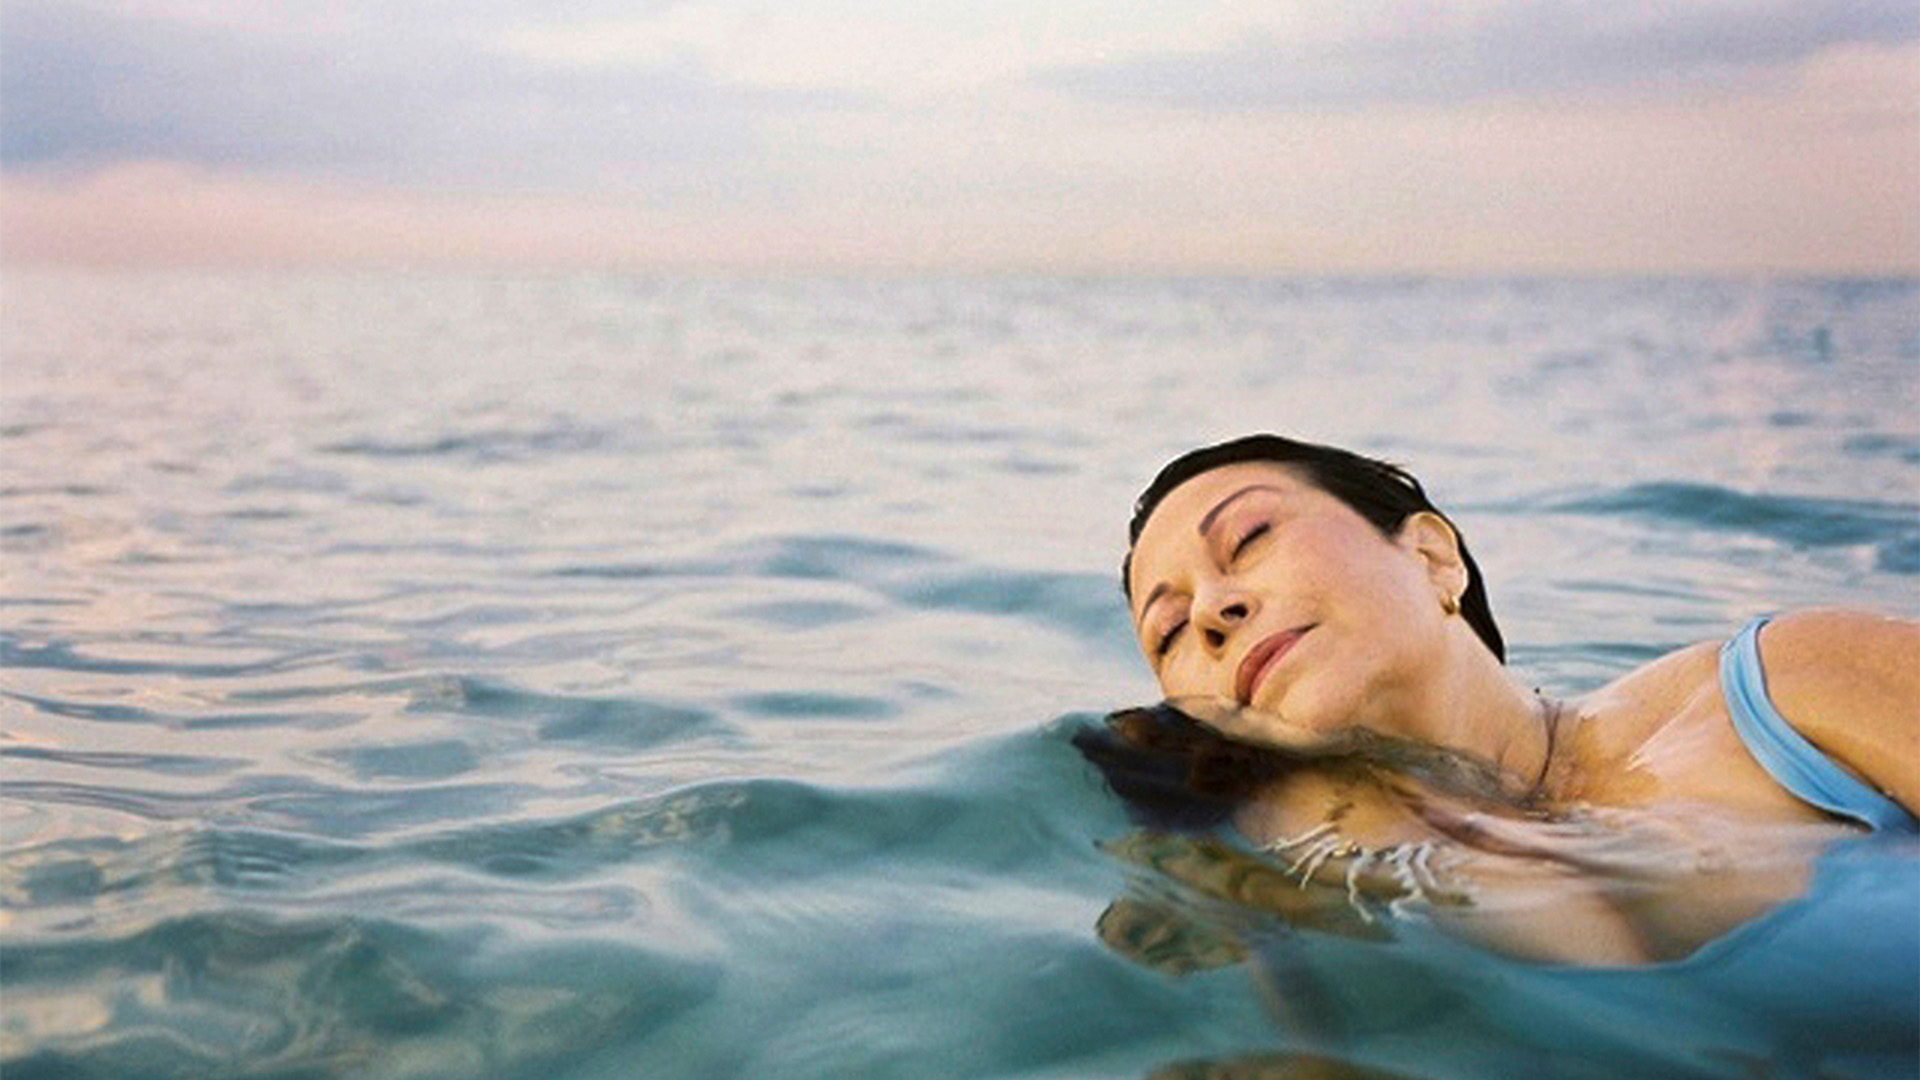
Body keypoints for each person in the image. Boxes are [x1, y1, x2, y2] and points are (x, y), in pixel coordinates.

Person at [1098, 433, 1919, 966]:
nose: (1210, 612)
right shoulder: (1294, 894)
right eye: (1168, 632)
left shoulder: (1782, 690)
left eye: (1249, 538)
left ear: (1431, 558)